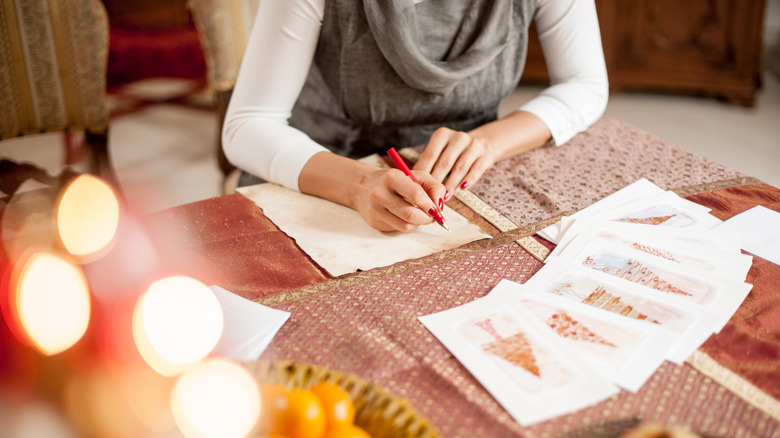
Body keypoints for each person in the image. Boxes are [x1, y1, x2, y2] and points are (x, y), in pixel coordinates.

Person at [223, 0, 608, 232]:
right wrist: (359, 185)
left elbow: (585, 84)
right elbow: (248, 126)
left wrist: (488, 142)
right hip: (328, 171)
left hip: (459, 187)